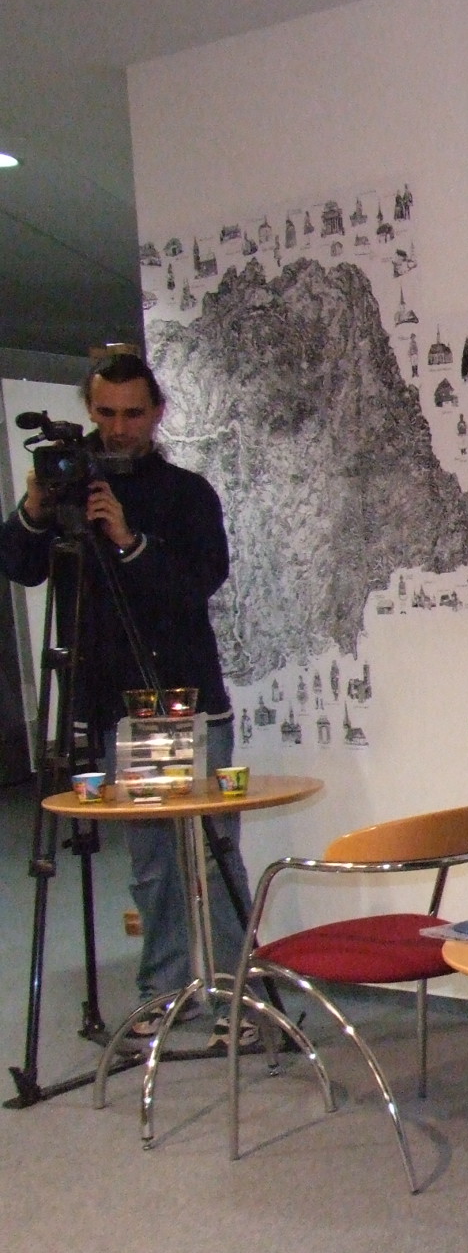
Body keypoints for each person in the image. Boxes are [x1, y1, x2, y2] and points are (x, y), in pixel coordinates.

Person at [0, 352, 252, 1037]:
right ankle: (165, 994)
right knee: (154, 865)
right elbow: (19, 566)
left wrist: (128, 539)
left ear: (157, 413)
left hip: (178, 699)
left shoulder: (185, 493)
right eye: (106, 413)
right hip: (117, 707)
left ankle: (237, 999)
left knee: (213, 856)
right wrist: (35, 507)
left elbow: (197, 583)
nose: (118, 428)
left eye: (133, 414)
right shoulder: (67, 491)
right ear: (91, 410)